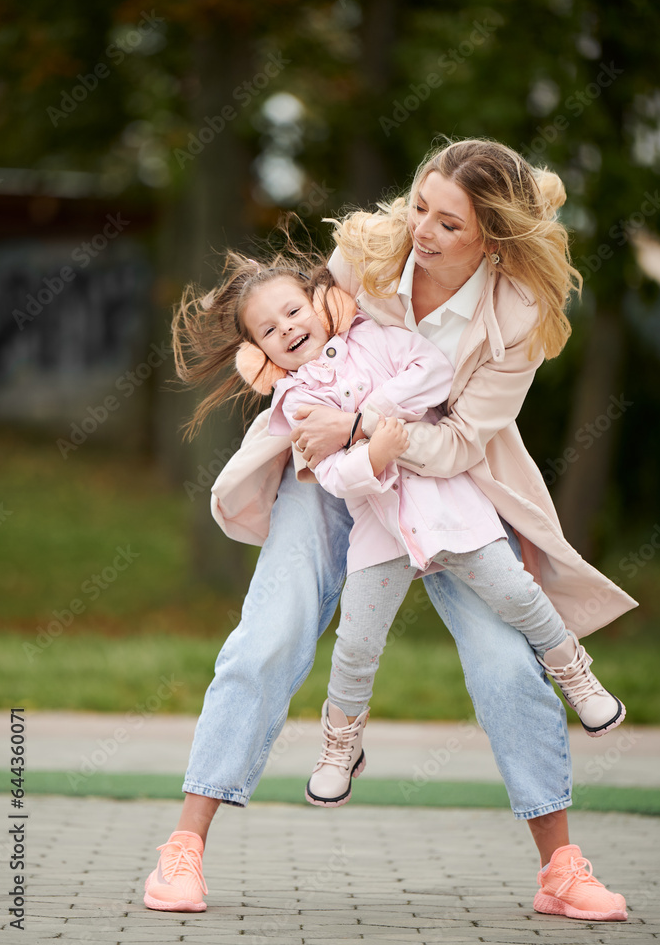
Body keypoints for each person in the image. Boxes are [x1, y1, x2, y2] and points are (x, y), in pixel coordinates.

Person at [143, 138, 636, 922]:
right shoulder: (366, 254)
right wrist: (292, 393)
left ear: (492, 238)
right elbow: (290, 330)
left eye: (450, 224)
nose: (424, 232)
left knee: (507, 667)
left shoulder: (516, 313)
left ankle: (560, 868)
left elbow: (464, 439)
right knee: (268, 637)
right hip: (333, 483)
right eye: (420, 208)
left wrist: (367, 427)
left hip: (444, 482)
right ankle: (183, 848)